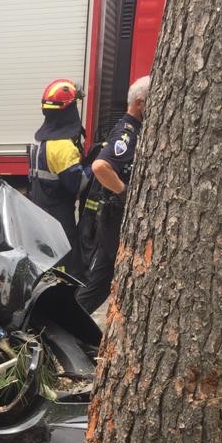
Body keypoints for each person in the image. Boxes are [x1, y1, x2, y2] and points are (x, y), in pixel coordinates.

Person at [76, 75, 151, 313]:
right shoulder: (127, 133)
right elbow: (100, 167)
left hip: (117, 220)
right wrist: (125, 193)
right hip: (114, 220)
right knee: (99, 283)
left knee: (105, 282)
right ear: (139, 103)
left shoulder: (138, 129)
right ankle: (65, 323)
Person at [29, 79, 91, 279]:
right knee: (68, 267)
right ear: (68, 111)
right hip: (60, 220)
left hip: (40, 212)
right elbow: (77, 184)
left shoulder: (39, 140)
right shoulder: (62, 145)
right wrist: (94, 164)